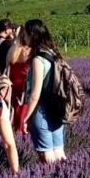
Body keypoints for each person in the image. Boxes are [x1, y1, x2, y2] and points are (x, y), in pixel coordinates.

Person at [24, 19, 69, 162]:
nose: (24, 38)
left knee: (46, 156)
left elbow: (35, 95)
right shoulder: (54, 53)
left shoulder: (38, 59)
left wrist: (26, 118)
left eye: (25, 34)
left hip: (42, 112)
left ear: (32, 34)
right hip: (57, 108)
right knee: (59, 152)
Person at [4, 25, 32, 135]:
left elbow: (7, 69)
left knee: (15, 112)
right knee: (25, 114)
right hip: (26, 89)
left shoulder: (12, 50)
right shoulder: (29, 52)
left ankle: (16, 134)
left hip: (14, 87)